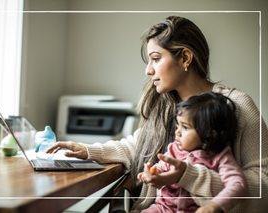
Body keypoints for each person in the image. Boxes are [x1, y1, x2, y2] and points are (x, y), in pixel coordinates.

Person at [46, 16, 268, 213]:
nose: (148, 70)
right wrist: (86, 150)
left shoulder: (237, 106)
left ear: (185, 58)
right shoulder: (166, 106)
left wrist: (191, 178)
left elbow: (264, 184)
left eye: (155, 58)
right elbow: (137, 146)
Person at [137, 92, 247, 213]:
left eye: (186, 127)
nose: (177, 132)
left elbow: (238, 185)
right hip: (164, 209)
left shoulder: (220, 156)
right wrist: (153, 172)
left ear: (211, 134)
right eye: (178, 125)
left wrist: (215, 206)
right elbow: (162, 167)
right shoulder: (174, 149)